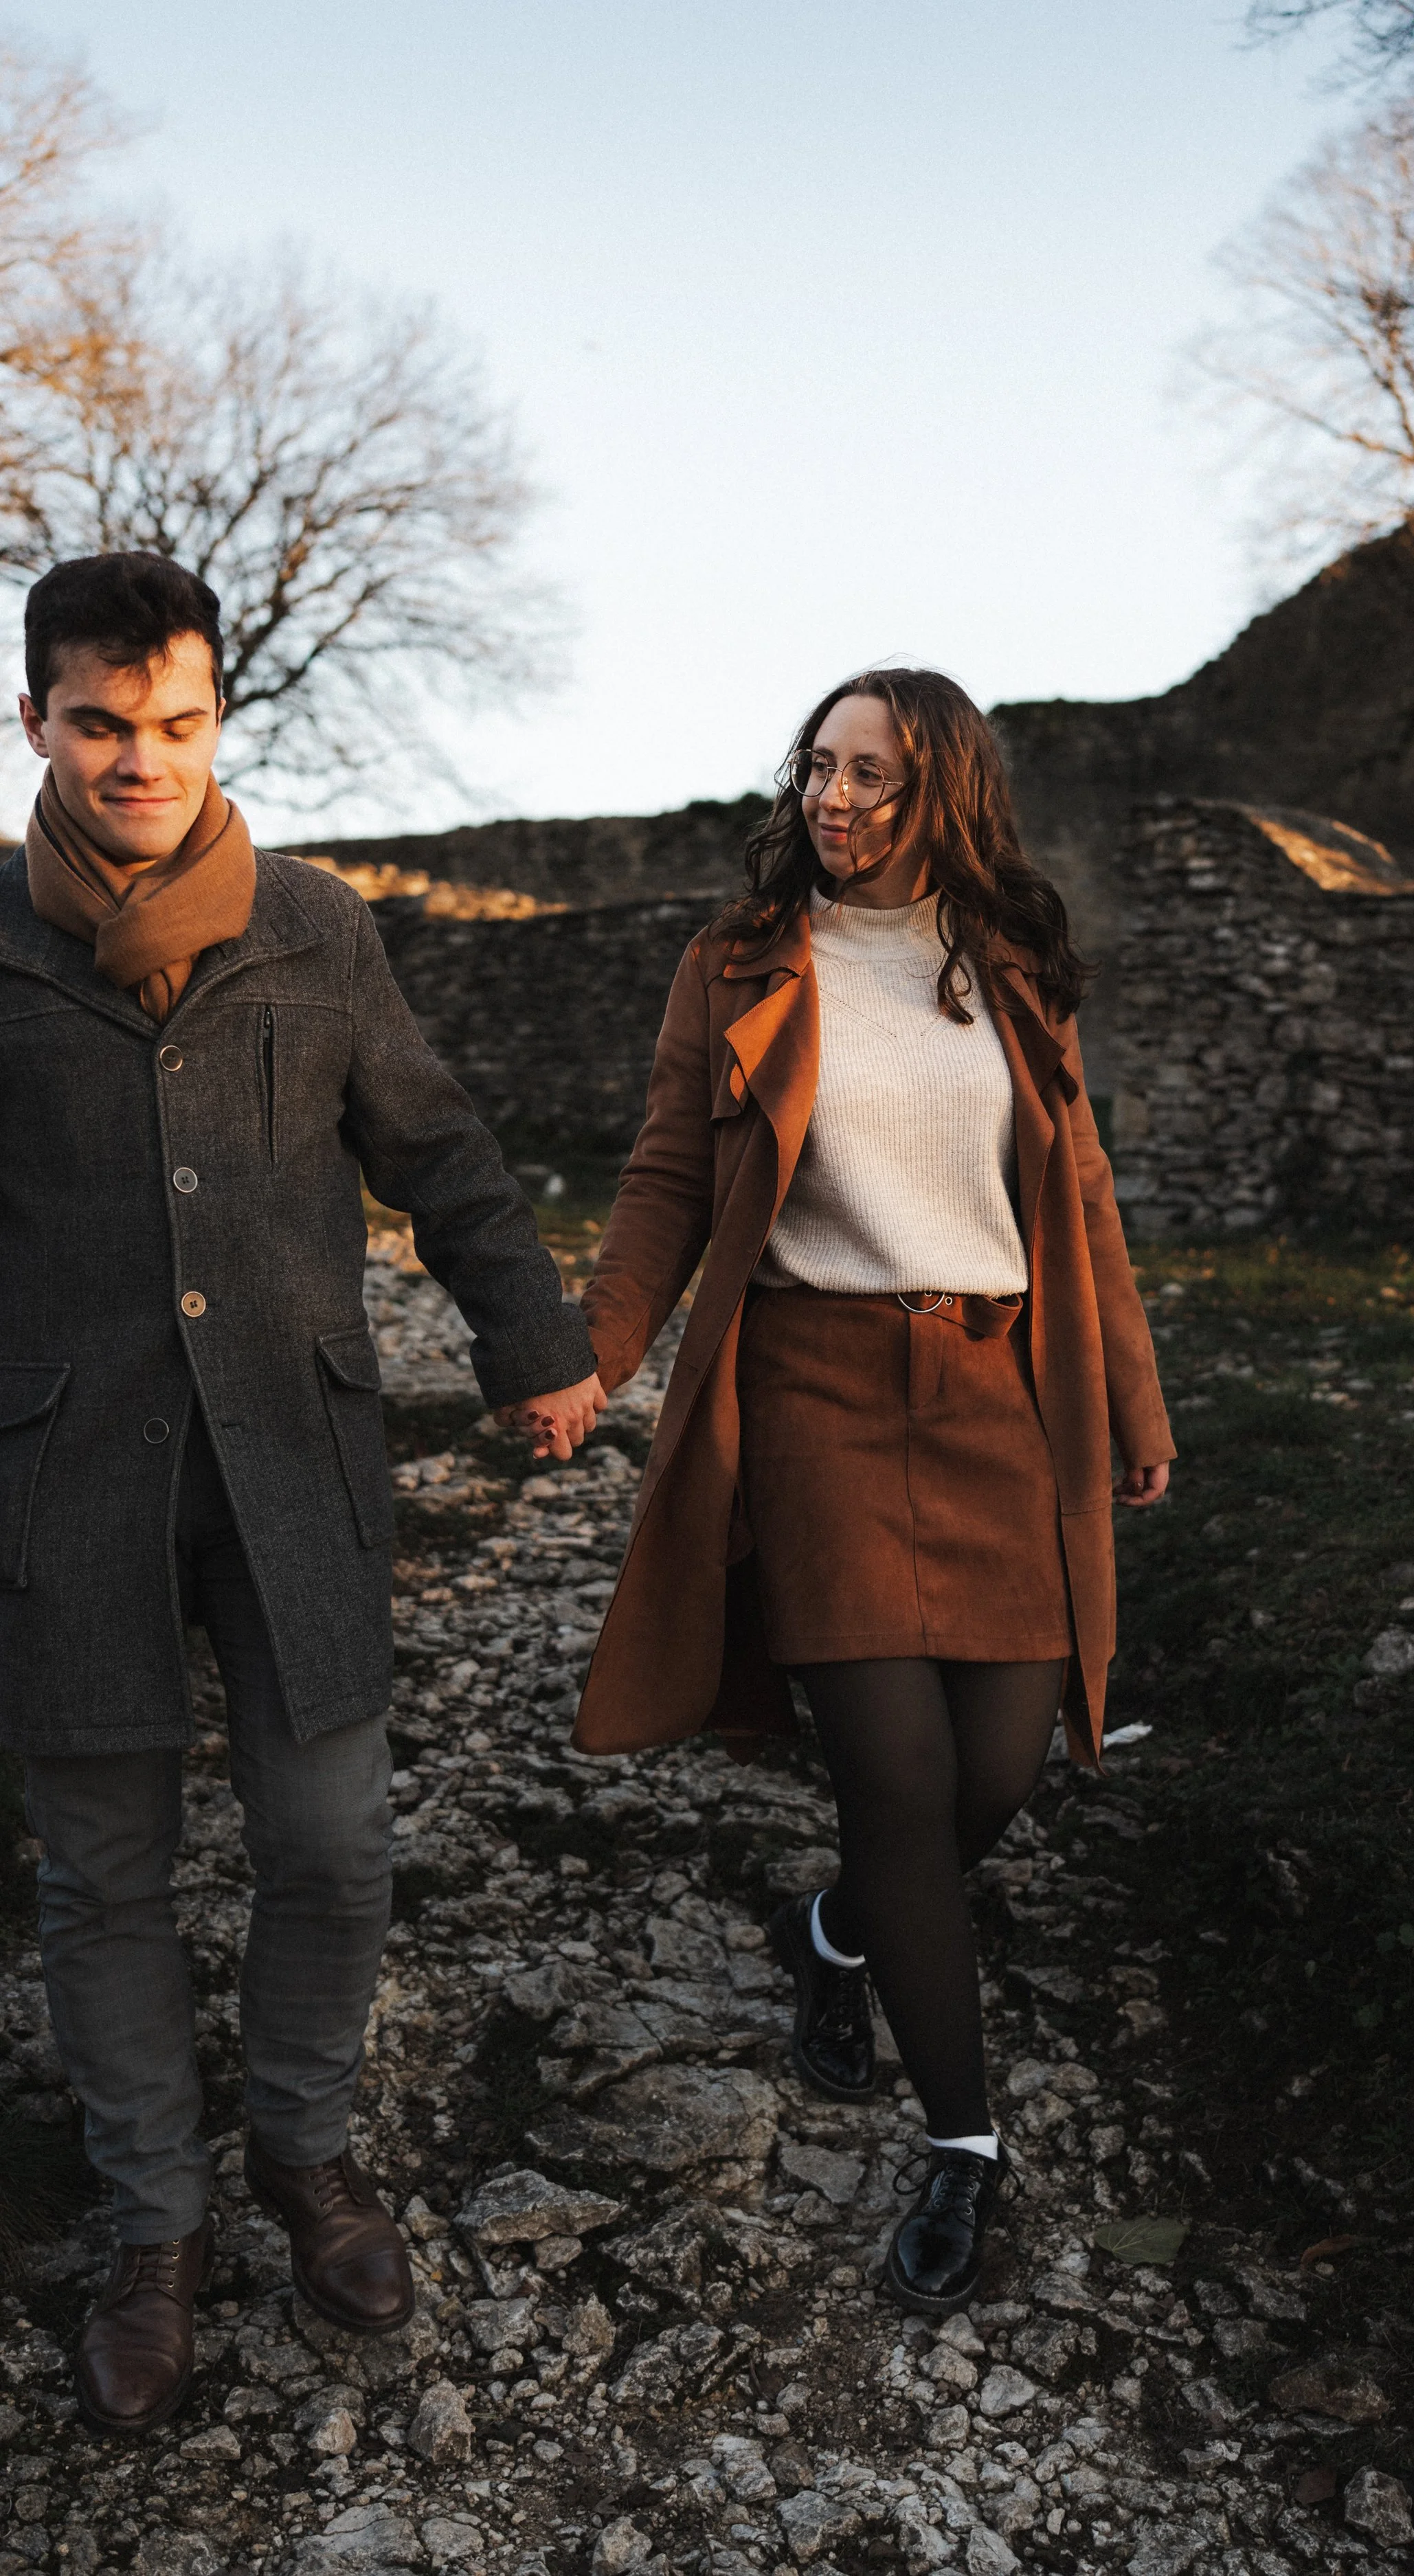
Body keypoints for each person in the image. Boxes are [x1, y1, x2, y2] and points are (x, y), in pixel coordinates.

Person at [0, 552, 605, 2434]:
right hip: (66, 1480)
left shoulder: (319, 928)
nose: (137, 759)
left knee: (330, 1840)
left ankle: (305, 2148)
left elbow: (439, 1144)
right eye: (99, 723)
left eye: (174, 722)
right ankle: (154, 2230)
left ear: (216, 720)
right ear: (34, 720)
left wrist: (532, 1340)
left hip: (298, 1460)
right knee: (101, 1875)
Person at [574, 666, 1173, 2314]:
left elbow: (1080, 1188)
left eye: (874, 779)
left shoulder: (1015, 964)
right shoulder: (741, 961)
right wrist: (599, 1348)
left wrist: (1128, 1388)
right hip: (817, 1391)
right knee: (899, 1786)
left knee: (996, 1779)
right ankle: (966, 2151)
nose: (833, 801)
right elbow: (668, 1178)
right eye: (819, 767)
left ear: (946, 800)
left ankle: (836, 1935)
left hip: (1000, 1399)